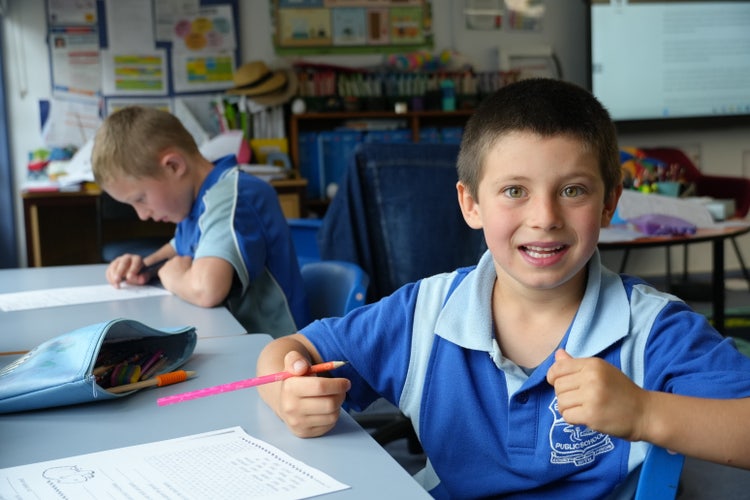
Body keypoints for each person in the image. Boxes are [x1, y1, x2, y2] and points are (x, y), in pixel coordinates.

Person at [255, 78, 750, 498]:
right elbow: (293, 349)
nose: (544, 218)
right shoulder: (424, 314)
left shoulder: (653, 330)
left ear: (608, 203)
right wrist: (286, 390)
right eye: (515, 191)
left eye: (572, 190)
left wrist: (645, 412)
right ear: (471, 204)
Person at [92, 106, 309, 337]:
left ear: (174, 166)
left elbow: (207, 290)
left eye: (140, 199)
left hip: (278, 353)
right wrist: (144, 266)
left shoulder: (235, 197)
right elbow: (179, 250)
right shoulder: (194, 203)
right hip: (233, 339)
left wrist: (170, 276)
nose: (142, 215)